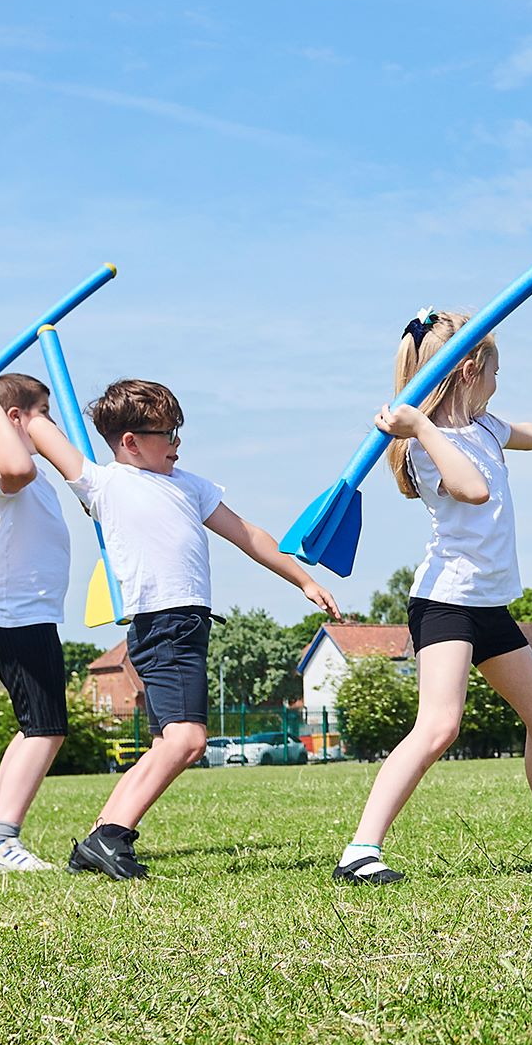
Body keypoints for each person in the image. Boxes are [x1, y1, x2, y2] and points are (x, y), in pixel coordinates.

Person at [332, 309, 532, 885]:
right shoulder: (425, 447)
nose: (498, 381)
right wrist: (422, 428)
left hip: (487, 604)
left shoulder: (486, 427)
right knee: (439, 726)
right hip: (445, 602)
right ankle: (360, 851)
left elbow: (528, 434)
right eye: (494, 370)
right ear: (469, 371)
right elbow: (472, 487)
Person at [26, 376, 336, 880]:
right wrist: (3, 404)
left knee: (167, 743)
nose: (177, 444)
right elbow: (42, 431)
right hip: (161, 625)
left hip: (189, 626)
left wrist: (302, 580)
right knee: (188, 741)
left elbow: (249, 535)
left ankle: (100, 838)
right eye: (168, 434)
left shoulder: (190, 486)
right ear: (130, 442)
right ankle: (111, 836)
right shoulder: (105, 484)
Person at [0, 373, 75, 873]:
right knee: (46, 729)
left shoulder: (30, 471)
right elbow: (16, 469)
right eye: (43, 412)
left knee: (34, 727)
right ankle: (1, 841)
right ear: (17, 418)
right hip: (15, 615)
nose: (52, 423)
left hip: (23, 614)